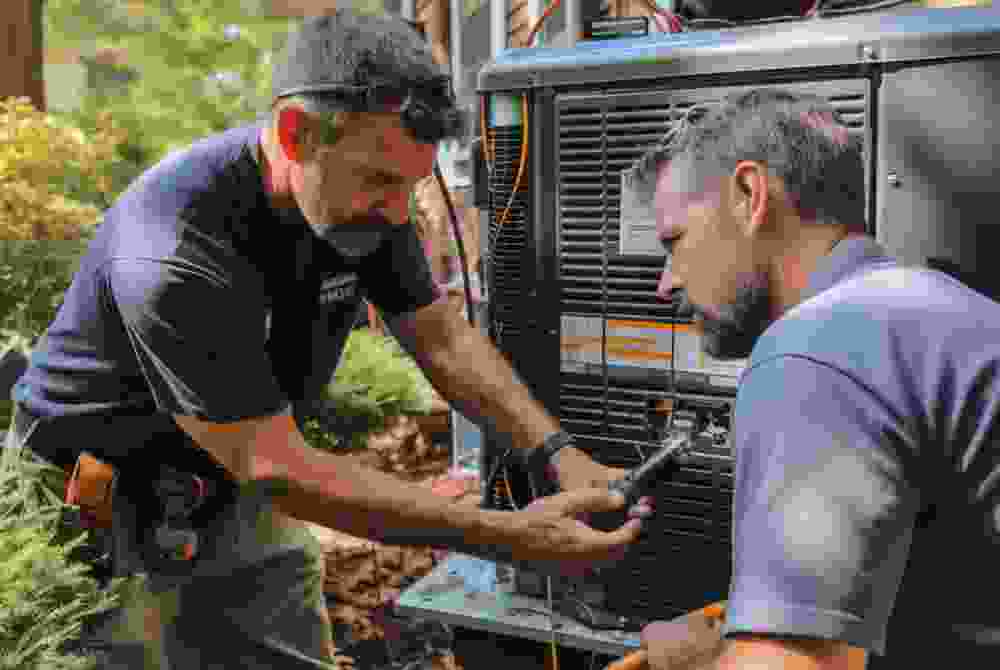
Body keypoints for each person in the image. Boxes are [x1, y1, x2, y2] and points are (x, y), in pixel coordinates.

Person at [7, 11, 654, 670]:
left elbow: (440, 338)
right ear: (296, 132)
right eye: (381, 180)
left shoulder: (362, 205)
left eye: (411, 183)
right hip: (97, 500)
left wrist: (557, 452)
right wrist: (507, 534)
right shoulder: (175, 245)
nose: (399, 212)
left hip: (228, 482)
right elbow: (276, 466)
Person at [629, 88, 1000, 669]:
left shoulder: (815, 349)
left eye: (675, 242)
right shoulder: (939, 309)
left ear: (749, 195)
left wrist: (696, 660)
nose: (666, 283)